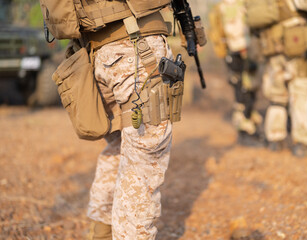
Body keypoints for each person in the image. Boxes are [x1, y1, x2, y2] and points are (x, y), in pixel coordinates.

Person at [39, 0, 204, 239]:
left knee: (119, 144)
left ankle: (102, 231)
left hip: (96, 52)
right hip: (134, 45)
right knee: (145, 151)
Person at [245, 0, 307, 157]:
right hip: (295, 47)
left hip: (271, 47)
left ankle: (275, 139)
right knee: (300, 92)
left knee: (277, 96)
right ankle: (303, 143)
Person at [209, 0, 263, 146]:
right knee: (241, 93)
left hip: (246, 52)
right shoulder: (223, 8)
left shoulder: (241, 5)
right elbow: (220, 34)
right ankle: (244, 132)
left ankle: (251, 128)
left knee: (250, 90)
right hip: (235, 53)